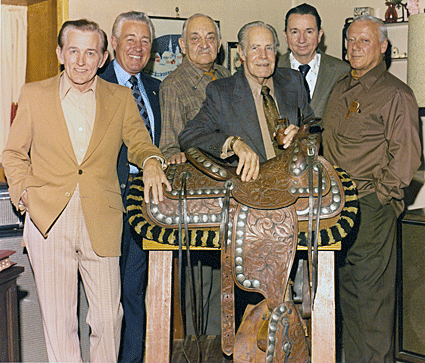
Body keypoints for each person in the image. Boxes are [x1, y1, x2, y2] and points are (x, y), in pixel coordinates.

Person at [2, 19, 170, 362]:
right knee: (60, 322)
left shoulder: (120, 98)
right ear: (60, 53)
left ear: (103, 56)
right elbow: (13, 154)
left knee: (109, 318)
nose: (81, 61)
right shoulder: (35, 94)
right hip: (48, 220)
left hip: (103, 220)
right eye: (74, 51)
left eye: (90, 52)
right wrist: (26, 197)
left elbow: (139, 142)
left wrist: (152, 159)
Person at [322, 15, 421, 362]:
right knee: (346, 302)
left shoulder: (396, 94)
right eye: (350, 40)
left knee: (372, 307)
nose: (355, 47)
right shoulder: (340, 87)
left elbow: (407, 158)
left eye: (364, 41)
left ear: (382, 47)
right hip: (335, 210)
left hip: (370, 210)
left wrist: (379, 199)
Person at [99, 11, 160, 362]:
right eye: (130, 39)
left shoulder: (155, 88)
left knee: (134, 293)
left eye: (145, 41)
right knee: (106, 300)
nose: (138, 48)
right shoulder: (97, 81)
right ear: (115, 43)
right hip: (106, 204)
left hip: (145, 203)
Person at [179, 21, 314, 180]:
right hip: (250, 189)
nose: (263, 56)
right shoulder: (222, 93)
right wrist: (232, 143)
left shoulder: (293, 80)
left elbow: (314, 127)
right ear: (242, 53)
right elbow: (189, 135)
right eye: (255, 48)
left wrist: (301, 137)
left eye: (269, 48)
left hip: (295, 183)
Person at [159, 13, 230, 164]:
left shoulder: (225, 75)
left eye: (210, 38)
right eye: (195, 39)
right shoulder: (173, 86)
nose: (204, 45)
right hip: (206, 175)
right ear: (183, 45)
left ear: (218, 44)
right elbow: (170, 148)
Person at [278, 3, 350, 118]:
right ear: (286, 35)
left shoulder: (342, 71)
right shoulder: (272, 69)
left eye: (309, 31)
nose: (302, 40)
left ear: (319, 35)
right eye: (295, 32)